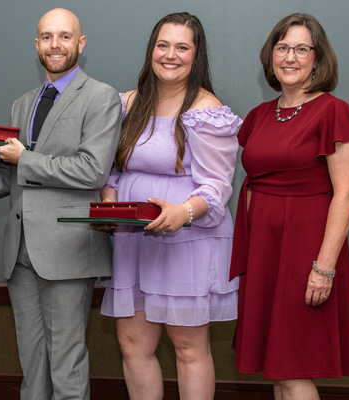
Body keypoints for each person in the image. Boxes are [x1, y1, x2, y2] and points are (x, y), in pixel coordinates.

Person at [0, 8, 121, 400]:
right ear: (36, 44)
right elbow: (11, 176)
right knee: (31, 362)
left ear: (81, 43)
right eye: (46, 37)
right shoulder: (22, 104)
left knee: (66, 364)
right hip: (19, 254)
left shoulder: (101, 97)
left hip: (68, 251)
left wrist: (24, 158)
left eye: (64, 36)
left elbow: (92, 171)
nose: (55, 45)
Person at [97, 12, 241, 400]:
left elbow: (217, 187)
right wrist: (110, 198)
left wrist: (183, 212)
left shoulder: (207, 110)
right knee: (132, 345)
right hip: (133, 240)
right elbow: (111, 167)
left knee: (189, 348)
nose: (170, 55)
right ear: (151, 50)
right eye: (163, 45)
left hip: (187, 241)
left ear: (197, 55)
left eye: (182, 47)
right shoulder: (127, 103)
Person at [230, 13, 349, 400]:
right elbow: (251, 186)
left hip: (306, 252)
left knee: (292, 369)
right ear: (270, 56)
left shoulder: (333, 111)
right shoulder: (261, 115)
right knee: (277, 369)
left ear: (317, 57)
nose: (290, 57)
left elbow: (347, 193)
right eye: (282, 48)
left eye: (301, 48)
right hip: (264, 251)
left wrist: (323, 269)